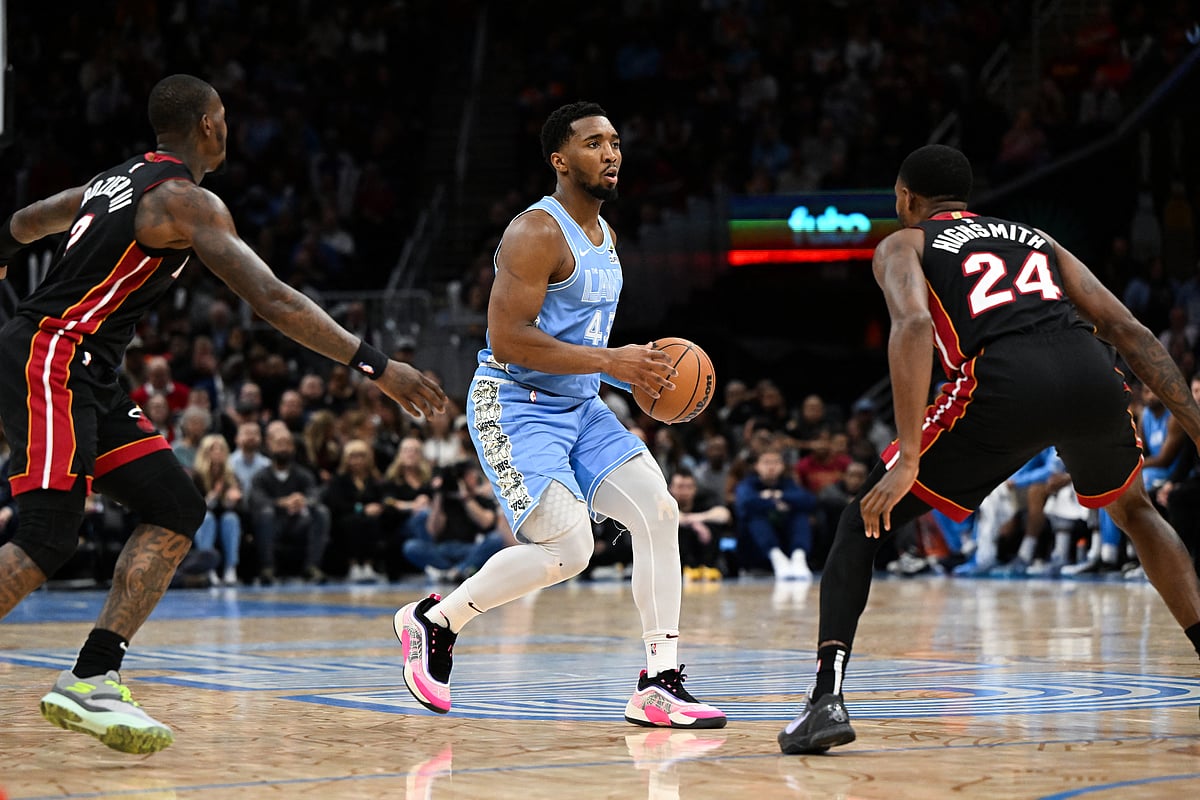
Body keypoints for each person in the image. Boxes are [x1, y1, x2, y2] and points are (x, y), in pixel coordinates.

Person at [0, 74, 446, 754]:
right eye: (226, 118)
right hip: (51, 354)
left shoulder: (113, 182)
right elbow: (273, 300)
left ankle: (91, 676)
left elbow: (29, 220)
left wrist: (3, 255)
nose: (229, 129)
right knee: (48, 534)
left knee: (176, 507)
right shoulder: (185, 201)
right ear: (209, 125)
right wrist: (378, 367)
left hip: (87, 371)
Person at [779, 144, 1200, 754]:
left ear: (905, 199)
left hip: (1003, 381)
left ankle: (825, 701)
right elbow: (1129, 330)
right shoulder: (1037, 239)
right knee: (1135, 511)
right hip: (1089, 370)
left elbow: (914, 325)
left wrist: (911, 459)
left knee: (860, 520)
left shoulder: (905, 244)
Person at [392, 101, 726, 729]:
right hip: (517, 402)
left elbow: (580, 335)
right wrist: (612, 362)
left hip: (579, 402)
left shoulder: (607, 237)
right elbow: (509, 337)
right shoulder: (534, 232)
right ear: (560, 159)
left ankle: (659, 683)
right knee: (569, 549)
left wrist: (622, 370)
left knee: (658, 511)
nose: (611, 153)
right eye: (594, 143)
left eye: (615, 142)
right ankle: (435, 623)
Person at [249, 421, 331, 585]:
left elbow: (314, 494)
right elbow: (257, 500)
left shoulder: (303, 474)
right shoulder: (261, 476)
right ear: (270, 446)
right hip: (274, 522)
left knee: (321, 512)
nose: (283, 448)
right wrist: (282, 503)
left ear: (293, 448)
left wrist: (303, 500)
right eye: (279, 444)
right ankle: (267, 568)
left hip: (299, 522)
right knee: (265, 513)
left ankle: (312, 567)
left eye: (287, 444)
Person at [734, 446, 817, 580]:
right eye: (766, 462)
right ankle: (777, 558)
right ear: (757, 466)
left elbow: (809, 500)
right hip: (755, 547)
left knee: (800, 515)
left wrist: (779, 495)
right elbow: (745, 504)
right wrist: (774, 504)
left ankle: (798, 557)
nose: (771, 466)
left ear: (783, 466)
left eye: (776, 462)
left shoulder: (788, 483)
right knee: (754, 516)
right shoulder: (747, 484)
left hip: (785, 538)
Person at [191, 433, 244, 586]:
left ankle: (230, 567)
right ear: (205, 452)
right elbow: (195, 507)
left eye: (220, 449)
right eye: (213, 449)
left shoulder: (231, 476)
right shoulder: (197, 476)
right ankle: (207, 567)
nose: (217, 453)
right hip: (203, 519)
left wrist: (232, 501)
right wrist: (213, 495)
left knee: (231, 519)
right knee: (207, 518)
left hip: (224, 518)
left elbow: (241, 509)